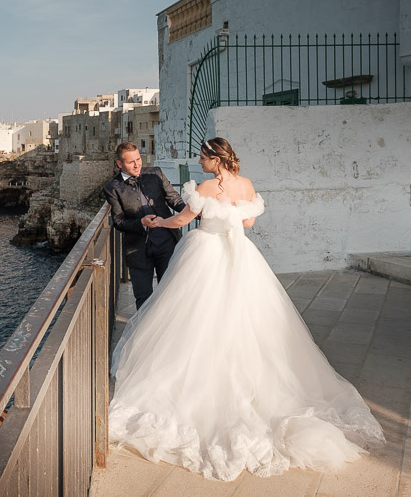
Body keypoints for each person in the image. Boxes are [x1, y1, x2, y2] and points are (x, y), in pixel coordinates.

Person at [108, 137, 384, 481]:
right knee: (247, 319)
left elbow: (181, 221)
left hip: (206, 253)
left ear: (214, 159)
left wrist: (157, 223)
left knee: (196, 318)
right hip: (241, 255)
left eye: (203, 156)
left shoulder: (206, 186)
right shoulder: (247, 184)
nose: (199, 159)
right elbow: (249, 223)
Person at [103, 142, 186, 309]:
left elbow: (174, 199)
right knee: (143, 299)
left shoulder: (156, 173)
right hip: (138, 249)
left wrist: (193, 212)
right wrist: (141, 222)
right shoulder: (112, 188)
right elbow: (118, 221)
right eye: (131, 162)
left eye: (138, 159)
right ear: (120, 164)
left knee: (171, 292)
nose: (137, 164)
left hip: (166, 243)